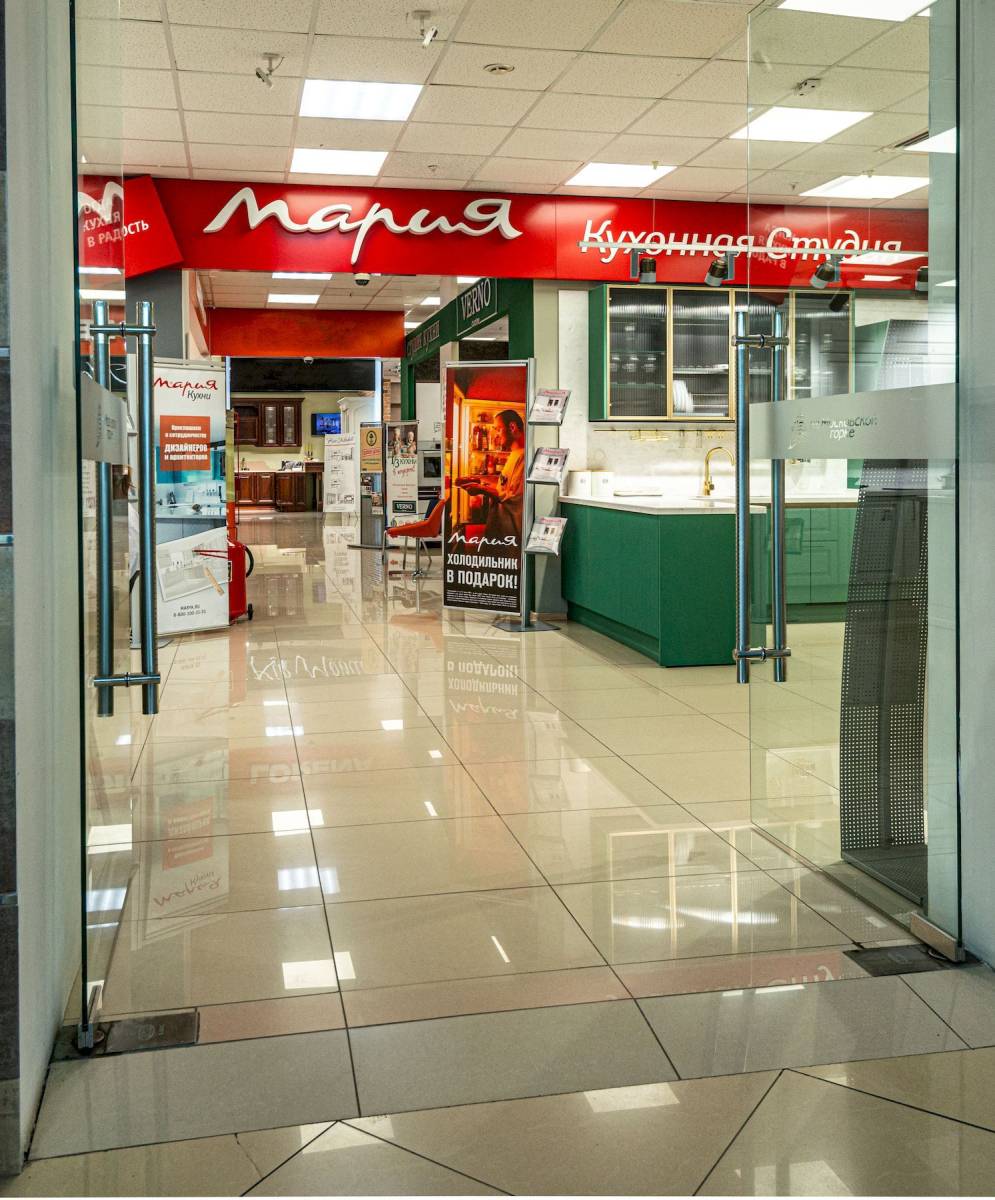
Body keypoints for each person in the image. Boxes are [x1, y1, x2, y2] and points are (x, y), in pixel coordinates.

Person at [455, 408, 525, 553]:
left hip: (510, 535)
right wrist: (480, 482)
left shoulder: (523, 456)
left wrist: (481, 489)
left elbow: (513, 496)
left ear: (512, 427)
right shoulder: (514, 453)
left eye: (498, 429)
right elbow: (504, 486)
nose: (496, 435)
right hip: (500, 531)